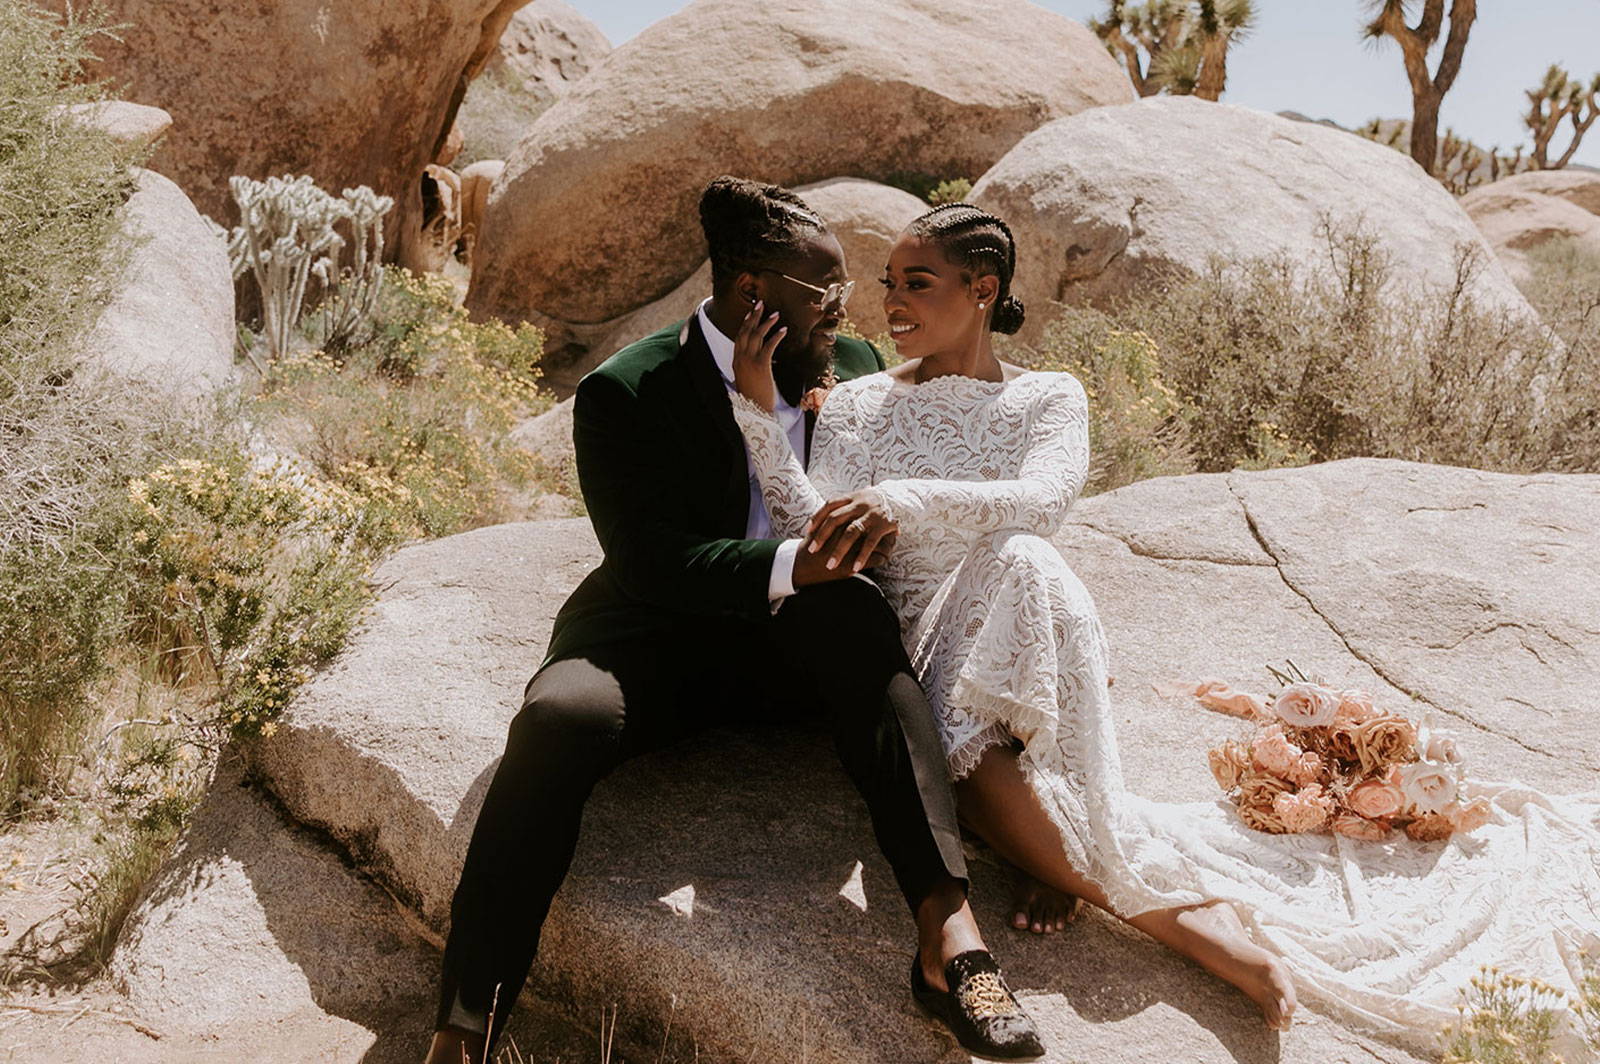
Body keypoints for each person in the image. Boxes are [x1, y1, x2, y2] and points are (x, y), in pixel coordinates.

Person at [726, 201, 1600, 1055]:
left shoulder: (1048, 399)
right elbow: (817, 533)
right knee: (979, 696)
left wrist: (907, 496)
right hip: (909, 636)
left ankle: (1052, 845)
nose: (893, 304)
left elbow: (1046, 500)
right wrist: (762, 415)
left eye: (917, 283)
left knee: (1024, 553)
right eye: (889, 284)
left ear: (984, 289)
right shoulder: (857, 405)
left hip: (1016, 617)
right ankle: (1179, 925)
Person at [424, 180, 1046, 1064]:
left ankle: (951, 944)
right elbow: (651, 561)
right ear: (756, 294)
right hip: (655, 636)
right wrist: (798, 563)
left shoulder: (864, 369)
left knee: (854, 616)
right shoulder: (627, 390)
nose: (846, 309)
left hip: (812, 647)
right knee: (559, 719)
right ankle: (464, 1024)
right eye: (822, 293)